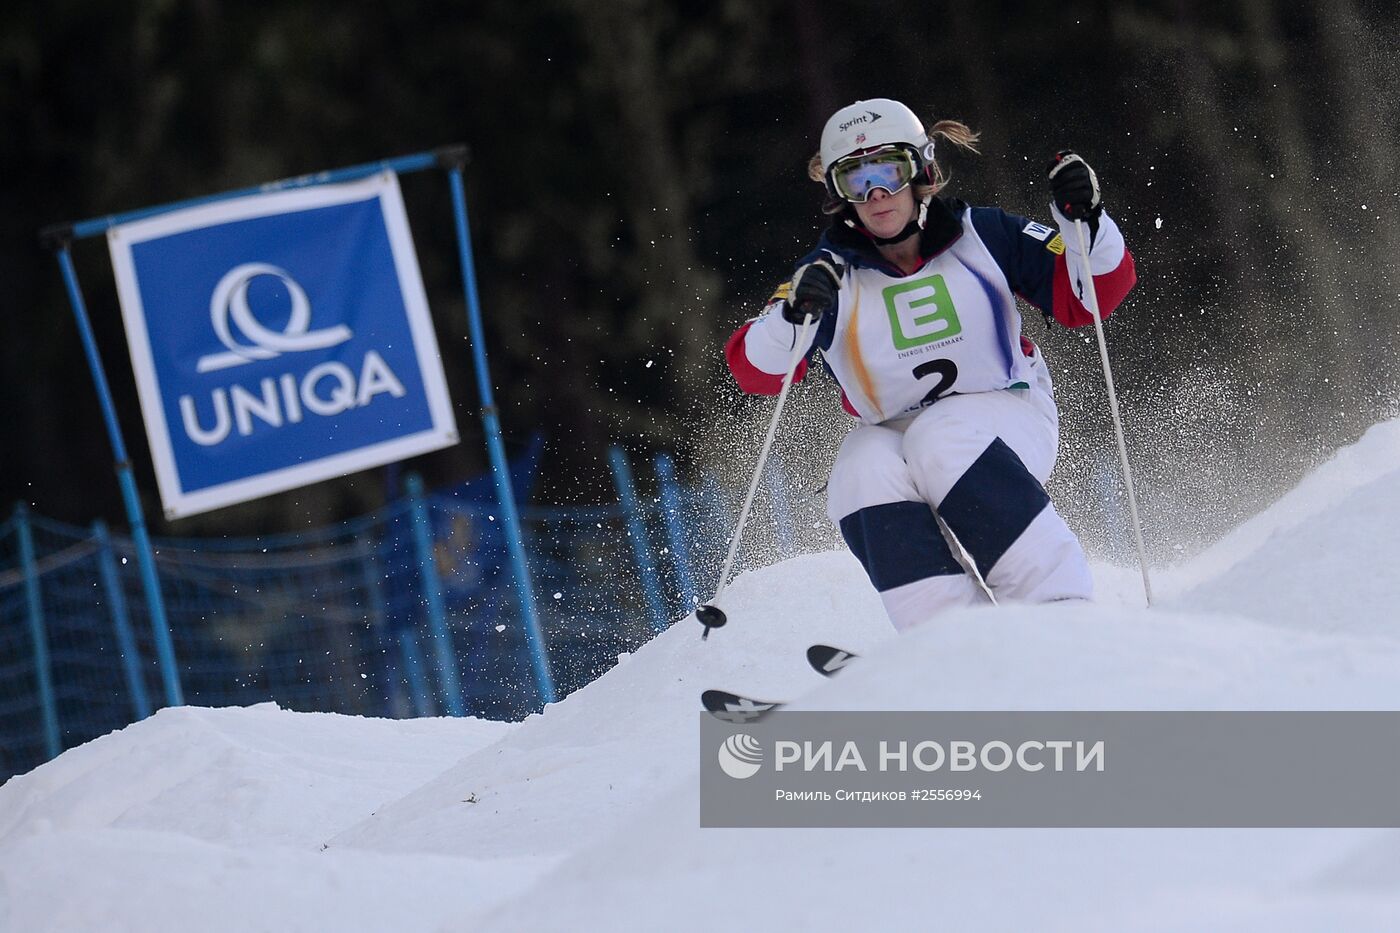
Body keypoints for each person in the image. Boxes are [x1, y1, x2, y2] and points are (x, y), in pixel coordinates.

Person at [724, 98, 1136, 631]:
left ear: (920, 169)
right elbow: (755, 372)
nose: (875, 195)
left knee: (940, 435)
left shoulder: (981, 234)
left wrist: (1087, 225)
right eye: (855, 180)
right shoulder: (828, 273)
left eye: (889, 172)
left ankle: (1060, 615)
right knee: (859, 470)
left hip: (1005, 413)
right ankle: (951, 645)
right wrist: (792, 314)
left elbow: (1092, 298)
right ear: (837, 194)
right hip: (896, 435)